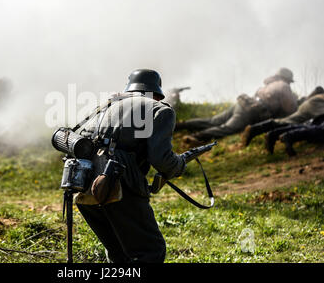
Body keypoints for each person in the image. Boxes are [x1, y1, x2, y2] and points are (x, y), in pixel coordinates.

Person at [74, 69, 186, 263]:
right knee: (150, 251)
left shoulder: (104, 106)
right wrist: (179, 165)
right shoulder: (160, 110)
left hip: (80, 181)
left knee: (118, 251)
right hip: (117, 183)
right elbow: (161, 159)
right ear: (157, 94)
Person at [178, 68, 298, 146]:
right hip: (249, 112)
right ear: (286, 79)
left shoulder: (269, 84)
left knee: (213, 120)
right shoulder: (284, 86)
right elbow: (291, 109)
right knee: (227, 128)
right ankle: (195, 137)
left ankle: (181, 125)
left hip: (242, 104)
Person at [241, 86, 324, 149]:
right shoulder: (283, 85)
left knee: (290, 121)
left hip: (310, 102)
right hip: (318, 104)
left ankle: (258, 129)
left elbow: (318, 89)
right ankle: (267, 133)